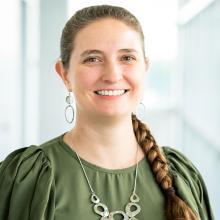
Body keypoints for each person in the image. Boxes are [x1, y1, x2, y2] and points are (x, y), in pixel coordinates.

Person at [0, 5, 214, 220]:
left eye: (127, 58)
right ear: (64, 74)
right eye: (93, 59)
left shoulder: (181, 176)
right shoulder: (26, 177)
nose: (112, 75)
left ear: (145, 69)